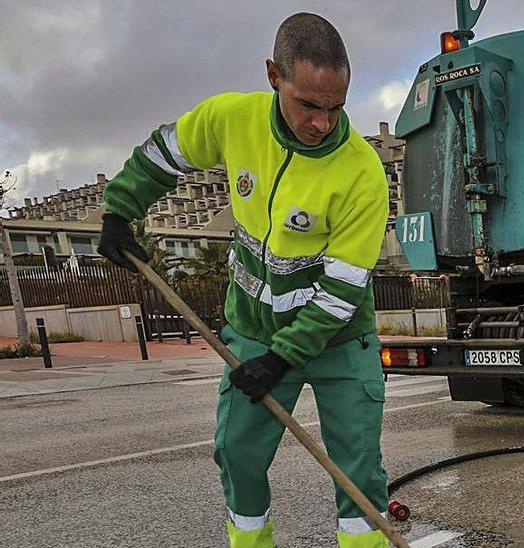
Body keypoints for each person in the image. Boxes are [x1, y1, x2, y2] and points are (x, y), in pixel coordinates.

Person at [96, 13, 391, 548]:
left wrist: (280, 359)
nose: (322, 123)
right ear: (274, 75)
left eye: (336, 108)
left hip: (340, 341)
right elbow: (164, 154)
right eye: (309, 105)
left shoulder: (362, 172)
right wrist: (120, 210)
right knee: (237, 453)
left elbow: (341, 292)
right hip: (253, 331)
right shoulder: (233, 119)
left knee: (357, 470)